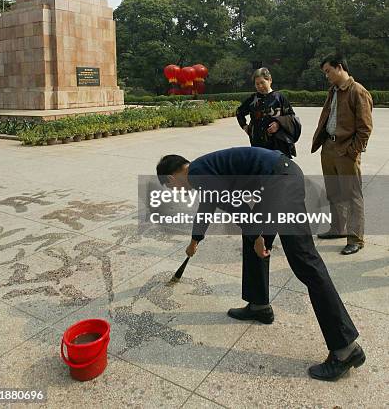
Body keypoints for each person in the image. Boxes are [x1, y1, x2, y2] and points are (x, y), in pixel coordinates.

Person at [156, 147, 365, 381]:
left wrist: (258, 237)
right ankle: (259, 306)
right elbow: (209, 205)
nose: (175, 191)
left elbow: (239, 208)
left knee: (305, 260)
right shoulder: (201, 170)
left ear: (172, 178)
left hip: (280, 181)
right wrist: (196, 240)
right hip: (276, 181)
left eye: (170, 187)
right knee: (252, 241)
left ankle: (345, 348)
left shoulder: (198, 175)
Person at [312, 54, 373, 255]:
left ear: (339, 67)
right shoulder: (334, 91)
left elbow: (365, 128)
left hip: (346, 150)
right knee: (334, 193)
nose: (327, 75)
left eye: (328, 71)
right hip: (329, 148)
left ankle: (356, 238)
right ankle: (338, 228)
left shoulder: (358, 91)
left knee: (352, 196)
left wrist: (352, 151)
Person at [236, 67, 301, 158]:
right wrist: (244, 126)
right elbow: (239, 112)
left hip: (277, 143)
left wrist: (278, 124)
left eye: (262, 82)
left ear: (270, 80)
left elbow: (291, 116)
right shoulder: (252, 99)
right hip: (257, 142)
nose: (260, 86)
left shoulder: (279, 98)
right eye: (257, 84)